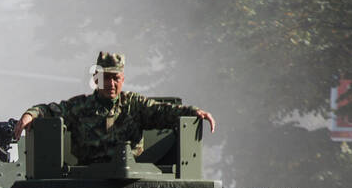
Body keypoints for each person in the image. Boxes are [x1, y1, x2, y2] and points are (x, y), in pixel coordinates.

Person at [12, 52, 216, 165]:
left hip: (131, 179)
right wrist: (31, 114)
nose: (111, 84)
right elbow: (51, 110)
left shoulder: (134, 105)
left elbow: (164, 112)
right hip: (89, 181)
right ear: (96, 79)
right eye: (106, 78)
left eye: (115, 78)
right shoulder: (80, 107)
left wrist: (194, 112)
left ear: (123, 79)